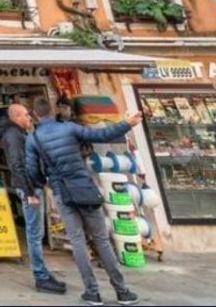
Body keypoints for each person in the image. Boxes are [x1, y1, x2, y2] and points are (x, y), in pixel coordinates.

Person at [26, 97, 142, 307]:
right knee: (102, 240)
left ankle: (92, 293)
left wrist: (46, 182)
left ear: (35, 115)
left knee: (77, 241)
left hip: (63, 193)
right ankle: (122, 291)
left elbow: (32, 170)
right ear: (52, 111)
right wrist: (127, 124)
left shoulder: (33, 139)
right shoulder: (69, 128)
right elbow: (101, 135)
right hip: (85, 187)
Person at [0, 103, 65, 295]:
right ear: (16, 117)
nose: (29, 117)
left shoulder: (20, 134)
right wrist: (29, 192)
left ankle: (43, 273)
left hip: (33, 186)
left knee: (36, 232)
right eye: (26, 115)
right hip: (30, 189)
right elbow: (17, 164)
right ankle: (41, 276)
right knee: (35, 234)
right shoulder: (14, 135)